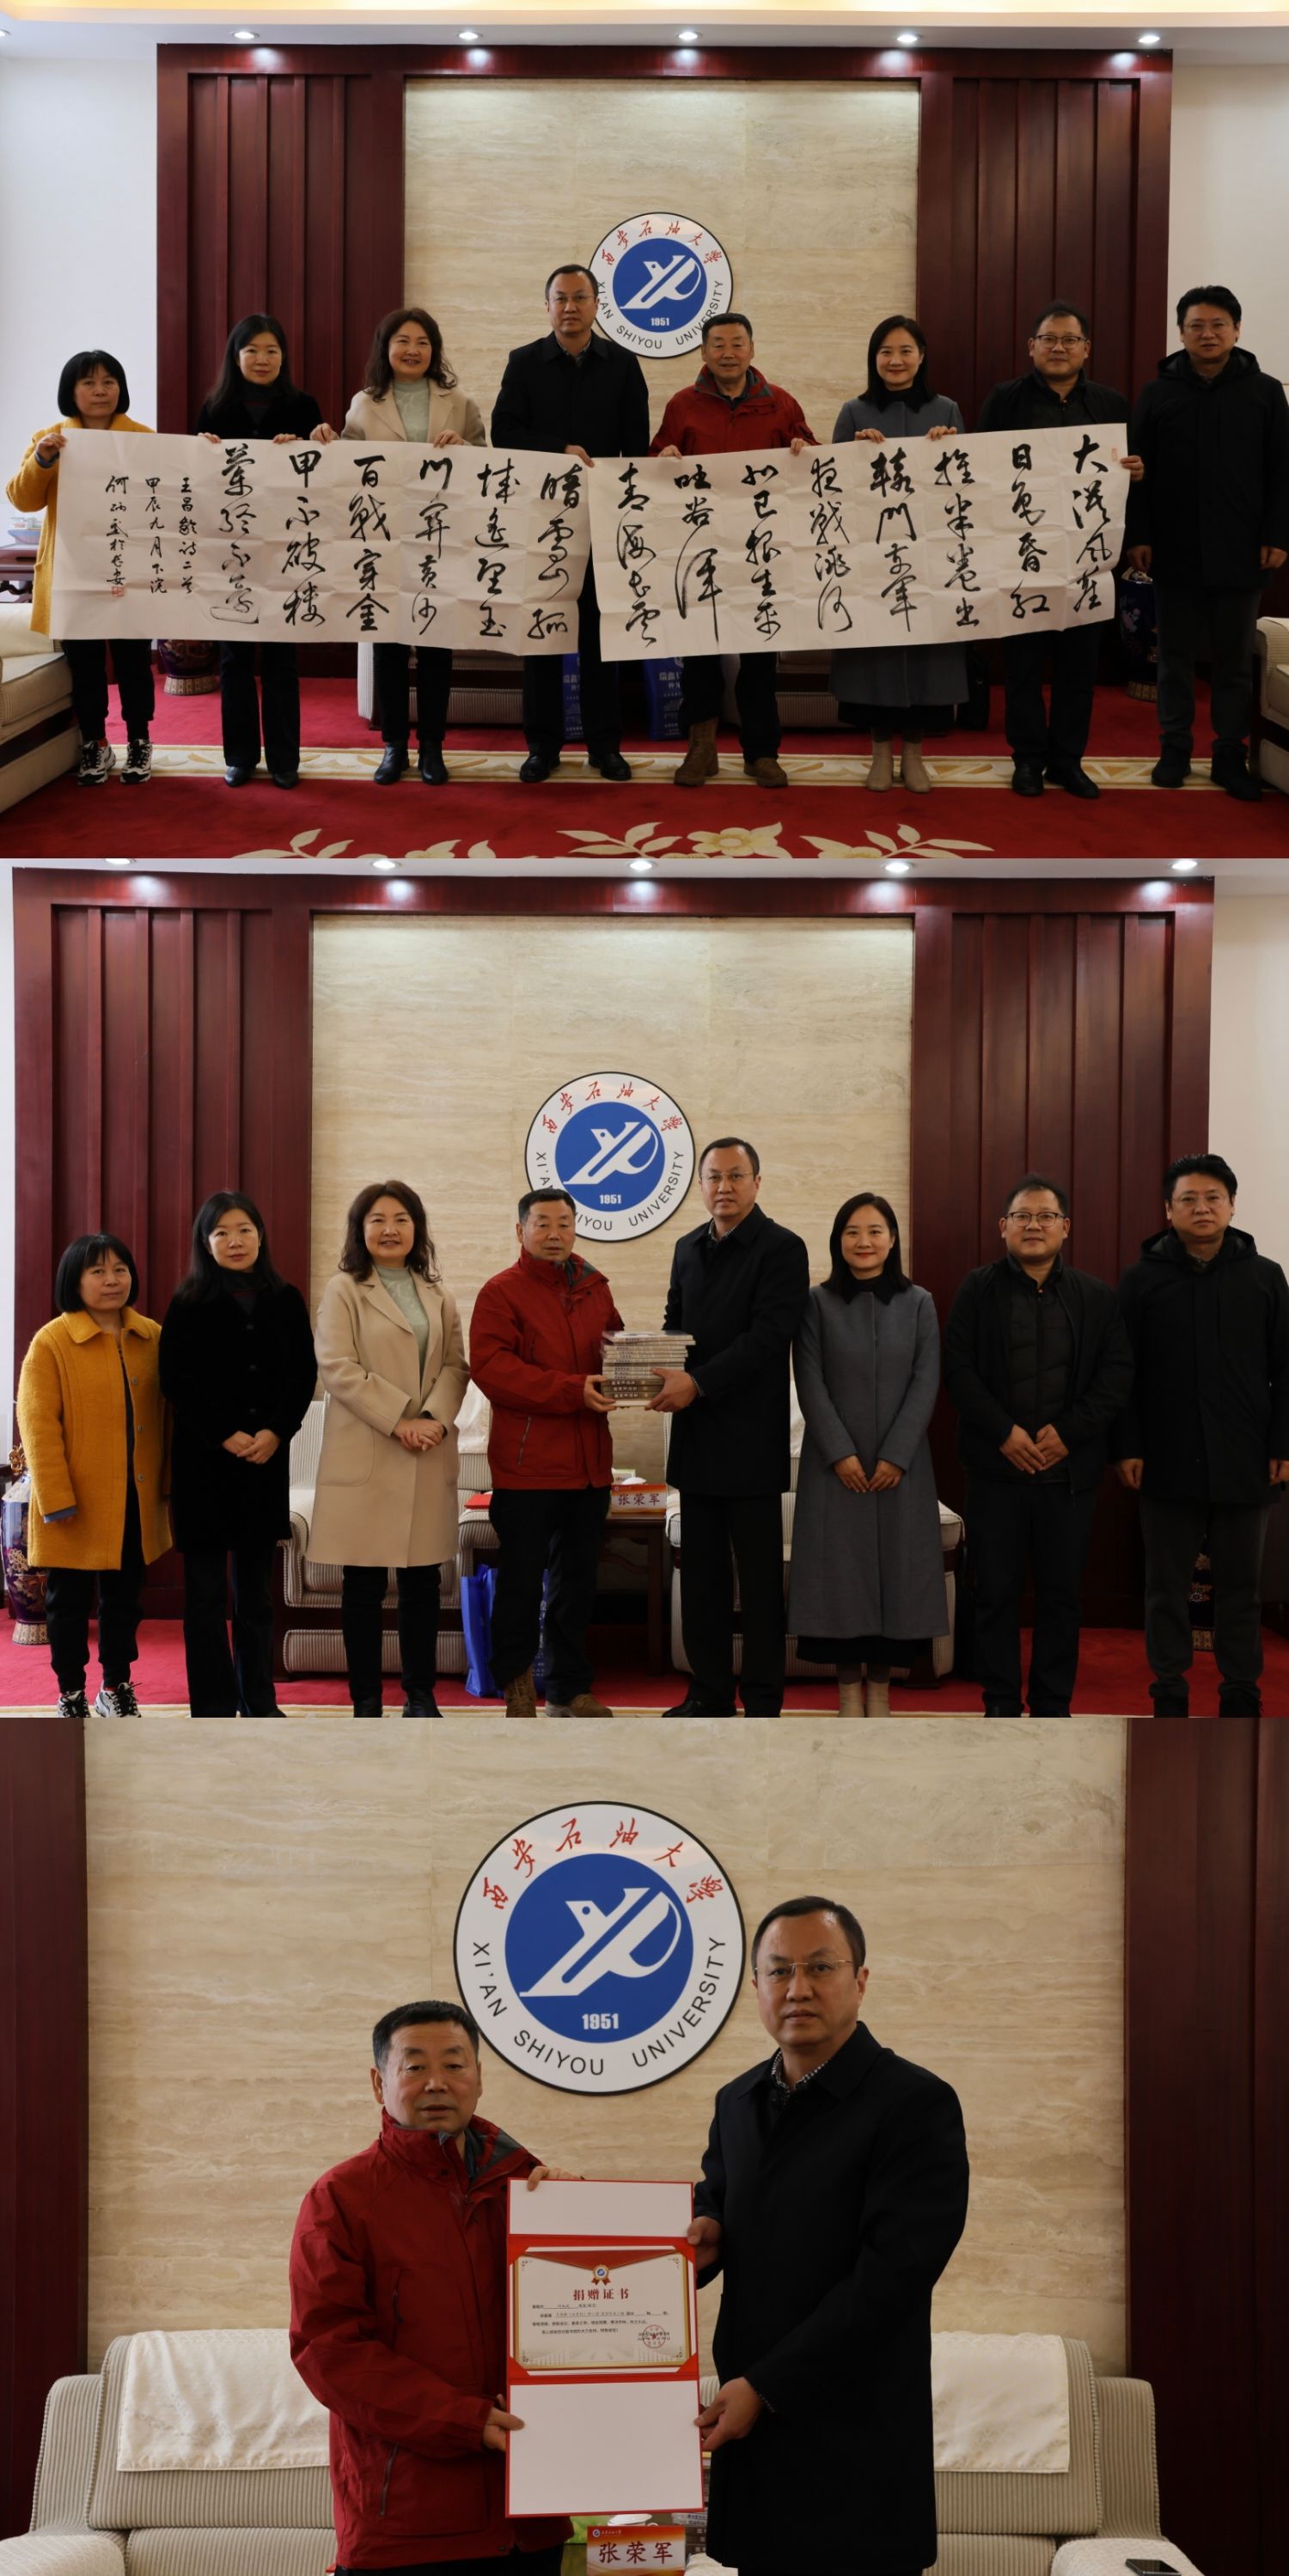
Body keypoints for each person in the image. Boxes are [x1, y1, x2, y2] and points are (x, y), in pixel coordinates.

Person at [688, 1895, 968, 2576]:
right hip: (756, 2449)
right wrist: (687, 2238)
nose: (798, 1989)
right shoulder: (737, 2102)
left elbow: (892, 2277)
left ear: (860, 1980)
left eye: (820, 1967)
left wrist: (766, 2386)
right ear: (755, 1985)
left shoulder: (914, 2104)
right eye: (779, 1970)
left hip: (857, 2451)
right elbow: (714, 2208)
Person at [290, 1999, 574, 2576]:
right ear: (379, 2083)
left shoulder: (533, 2190)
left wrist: (587, 2223)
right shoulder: (340, 2198)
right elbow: (329, 2352)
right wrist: (463, 2419)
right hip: (407, 2527)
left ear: (479, 2078)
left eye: (455, 2064)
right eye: (415, 2066)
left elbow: (589, 2316)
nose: (437, 2082)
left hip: (530, 2519)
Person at [944, 1175, 1133, 1718]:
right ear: (1003, 1227)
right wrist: (1004, 1433)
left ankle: (1052, 1706)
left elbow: (1116, 1375)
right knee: (995, 1594)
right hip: (994, 1471)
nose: (1034, 1225)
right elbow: (957, 1369)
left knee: (1061, 1597)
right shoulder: (977, 1289)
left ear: (1065, 1227)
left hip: (1068, 1475)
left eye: (1046, 1216)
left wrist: (1069, 1433)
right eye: (1022, 1216)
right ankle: (1000, 1704)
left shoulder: (1096, 1296)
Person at [1114, 1154, 1289, 1717]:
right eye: (1188, 1199)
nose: (1202, 1208)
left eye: (1213, 1197)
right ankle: (1169, 1688)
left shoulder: (1265, 1277)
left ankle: (1241, 1690)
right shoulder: (1141, 1280)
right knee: (1165, 1586)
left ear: (1232, 1205)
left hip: (1247, 1458)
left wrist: (1283, 1444)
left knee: (1242, 1587)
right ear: (1168, 1210)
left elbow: (1285, 1369)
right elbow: (1122, 1373)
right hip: (1166, 1458)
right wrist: (1128, 1445)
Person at [651, 1138, 809, 1718]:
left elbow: (768, 1337)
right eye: (713, 1177)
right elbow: (674, 1324)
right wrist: (649, 1367)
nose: (724, 1186)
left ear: (757, 1183)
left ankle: (763, 1700)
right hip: (696, 1441)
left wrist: (697, 1383)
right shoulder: (687, 1247)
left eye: (736, 1175)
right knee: (702, 1582)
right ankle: (709, 1694)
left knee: (760, 1584)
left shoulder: (783, 1248)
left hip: (751, 1442)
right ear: (700, 1186)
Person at [1127, 284, 1289, 803]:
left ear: (1237, 330)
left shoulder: (1266, 392)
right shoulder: (1157, 393)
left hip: (1243, 549)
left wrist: (1278, 535)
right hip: (1173, 548)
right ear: (1181, 333)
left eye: (1219, 324)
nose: (1208, 334)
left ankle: (1228, 754)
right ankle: (1174, 749)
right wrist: (1140, 536)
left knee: (1233, 661)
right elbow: (1136, 472)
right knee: (1173, 658)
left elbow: (1282, 470)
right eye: (1196, 325)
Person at [312, 1181, 468, 1718]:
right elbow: (337, 1366)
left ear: (416, 1229)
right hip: (369, 1451)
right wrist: (399, 1420)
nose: (389, 1229)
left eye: (401, 1219)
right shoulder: (344, 1290)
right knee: (362, 1585)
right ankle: (366, 1702)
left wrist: (432, 1420)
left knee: (423, 1583)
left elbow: (455, 1365)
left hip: (426, 1451)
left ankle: (420, 1697)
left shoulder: (437, 1294)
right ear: (360, 1230)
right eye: (377, 1219)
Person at [492, 264, 650, 783]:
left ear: (597, 305)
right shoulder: (524, 362)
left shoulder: (623, 364)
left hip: (602, 522)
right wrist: (557, 450)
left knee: (600, 636)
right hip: (541, 523)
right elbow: (503, 433)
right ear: (547, 307)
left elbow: (636, 447)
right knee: (542, 636)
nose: (570, 307)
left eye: (580, 297)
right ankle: (543, 746)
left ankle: (605, 746)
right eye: (560, 298)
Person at [160, 1193, 315, 1718]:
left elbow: (303, 1375)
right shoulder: (187, 1302)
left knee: (255, 1596)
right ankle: (212, 1706)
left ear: (260, 1236)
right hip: (204, 1468)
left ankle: (260, 1702)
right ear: (206, 1243)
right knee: (205, 1597)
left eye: (244, 1229)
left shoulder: (286, 1299)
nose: (235, 1241)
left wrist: (276, 1431)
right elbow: (175, 1380)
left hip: (262, 1466)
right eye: (222, 1232)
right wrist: (224, 1432)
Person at [789, 1194, 945, 1716]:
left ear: (892, 1239)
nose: (864, 1241)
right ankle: (847, 1695)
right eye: (852, 1232)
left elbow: (927, 1380)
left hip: (902, 1470)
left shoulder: (919, 1302)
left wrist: (898, 1455)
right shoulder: (816, 1303)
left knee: (899, 1581)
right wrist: (840, 1453)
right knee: (839, 1583)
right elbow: (809, 1381)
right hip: (835, 1470)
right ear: (838, 1241)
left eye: (875, 1231)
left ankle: (880, 1694)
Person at [977, 303, 1140, 800]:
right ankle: (1027, 759)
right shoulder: (1005, 399)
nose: (1059, 348)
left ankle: (1068, 761)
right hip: (1022, 556)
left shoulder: (1111, 404)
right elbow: (979, 468)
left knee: (1078, 669)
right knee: (1023, 668)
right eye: (1049, 339)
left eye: (1070, 340)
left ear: (1086, 349)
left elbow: (1129, 476)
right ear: (1032, 346)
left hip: (1088, 560)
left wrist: (1136, 470)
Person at [469, 1188, 621, 1718]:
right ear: (521, 1231)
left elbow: (615, 1350)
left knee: (576, 1586)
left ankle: (568, 1687)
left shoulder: (596, 1287)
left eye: (564, 1223)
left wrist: (636, 1377)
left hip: (589, 1467)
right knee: (520, 1584)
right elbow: (492, 1369)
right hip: (527, 1467)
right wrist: (573, 1390)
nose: (555, 1234)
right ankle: (515, 1684)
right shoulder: (501, 1292)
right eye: (542, 1224)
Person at [651, 311, 815, 791]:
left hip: (762, 551)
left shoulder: (780, 403)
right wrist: (664, 457)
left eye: (737, 343)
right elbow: (656, 459)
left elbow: (811, 459)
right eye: (718, 344)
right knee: (700, 655)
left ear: (752, 349)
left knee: (759, 659)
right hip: (701, 549)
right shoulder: (683, 404)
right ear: (703, 352)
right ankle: (701, 748)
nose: (728, 353)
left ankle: (761, 753)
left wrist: (804, 448)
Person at [16, 1233, 170, 1718]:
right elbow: (37, 1425)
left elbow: (169, 1417)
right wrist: (55, 1496)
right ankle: (70, 1694)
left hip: (135, 1499)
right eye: (98, 1271)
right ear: (75, 1280)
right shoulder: (53, 1341)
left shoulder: (151, 1336)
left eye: (120, 1269)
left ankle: (115, 1687)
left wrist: (168, 1485)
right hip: (75, 1500)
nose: (112, 1280)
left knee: (124, 1601)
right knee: (67, 1603)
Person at [338, 307, 486, 785]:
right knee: (389, 646)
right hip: (384, 541)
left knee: (436, 647)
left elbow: (486, 461)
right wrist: (325, 443)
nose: (412, 350)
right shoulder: (365, 404)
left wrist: (464, 447)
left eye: (423, 342)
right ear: (386, 348)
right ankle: (394, 746)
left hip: (441, 539)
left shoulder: (458, 401)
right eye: (402, 341)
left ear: (434, 350)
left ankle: (433, 748)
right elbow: (346, 467)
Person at [830, 315, 966, 794]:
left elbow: (965, 486)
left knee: (928, 653)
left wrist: (950, 450)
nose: (895, 360)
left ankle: (914, 753)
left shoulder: (947, 409)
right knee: (876, 654)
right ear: (874, 358)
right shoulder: (853, 411)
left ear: (921, 356)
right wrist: (853, 453)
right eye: (885, 351)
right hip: (873, 559)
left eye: (906, 351)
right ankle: (879, 751)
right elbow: (832, 488)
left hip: (929, 559)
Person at [7, 350, 155, 785]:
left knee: (133, 663)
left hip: (129, 571)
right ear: (71, 391)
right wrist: (42, 461)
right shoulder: (49, 439)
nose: (100, 390)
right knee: (84, 666)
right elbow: (22, 500)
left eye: (109, 381)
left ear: (120, 389)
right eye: (88, 382)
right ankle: (95, 743)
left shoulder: (143, 439)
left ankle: (140, 740)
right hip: (73, 573)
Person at [196, 314, 326, 789]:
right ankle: (240, 756)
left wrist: (307, 446)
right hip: (232, 551)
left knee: (280, 659)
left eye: (272, 350)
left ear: (283, 356)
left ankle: (285, 760)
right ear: (236, 357)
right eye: (252, 350)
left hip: (286, 549)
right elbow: (199, 483)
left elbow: (321, 475)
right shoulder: (214, 407)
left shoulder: (303, 406)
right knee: (234, 660)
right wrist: (202, 450)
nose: (262, 359)